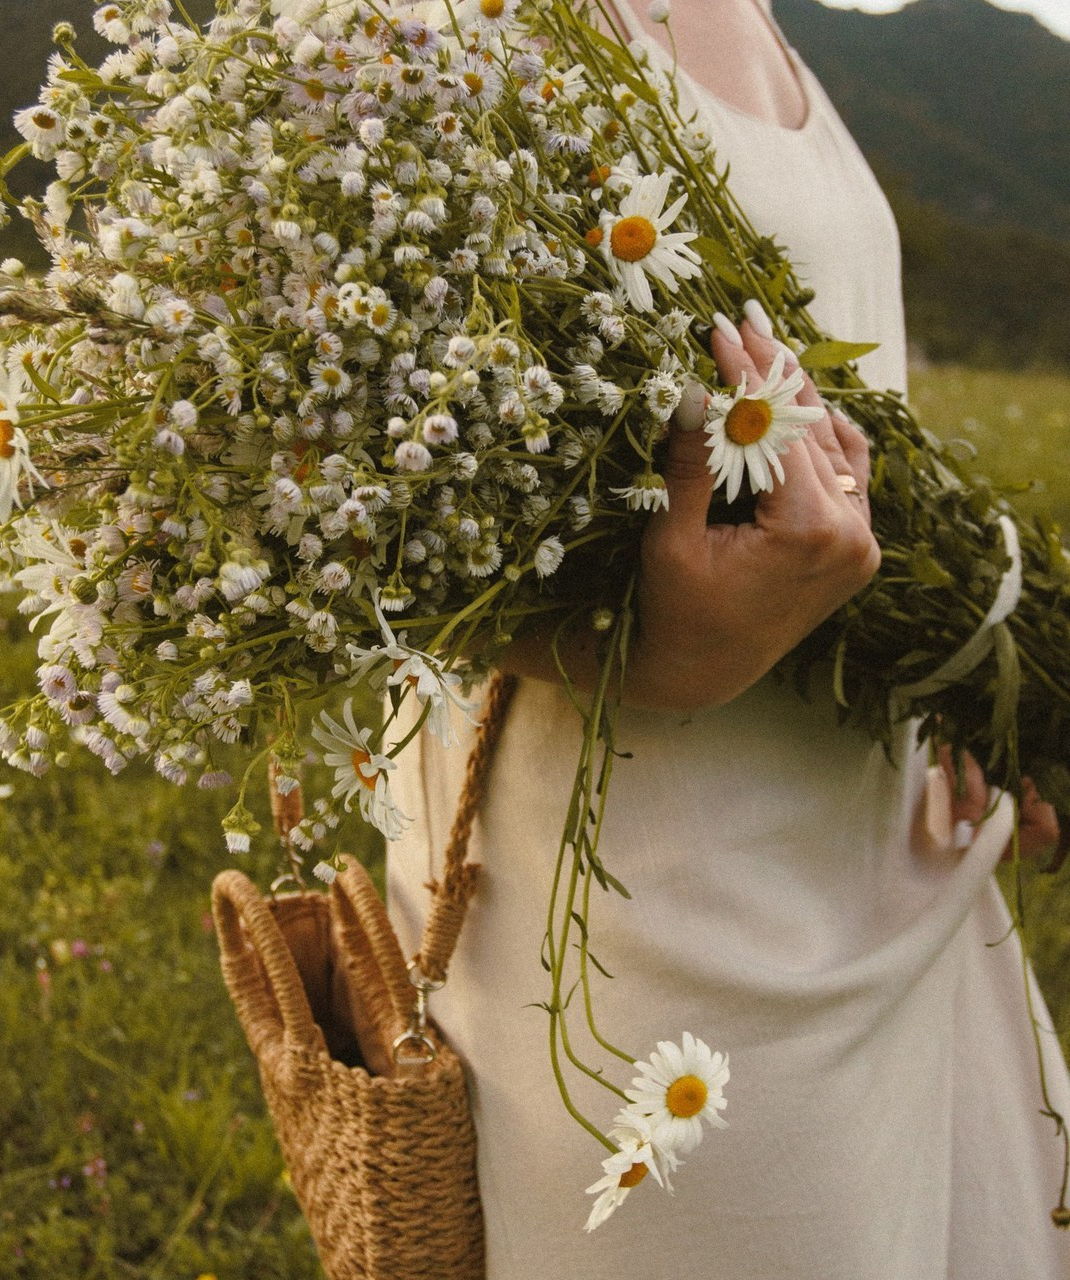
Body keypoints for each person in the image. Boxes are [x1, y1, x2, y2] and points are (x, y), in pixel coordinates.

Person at [385, 1, 1070, 1275]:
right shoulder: (426, 24)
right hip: (655, 940)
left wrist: (993, 695)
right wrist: (669, 651)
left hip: (895, 870)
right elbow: (347, 500)